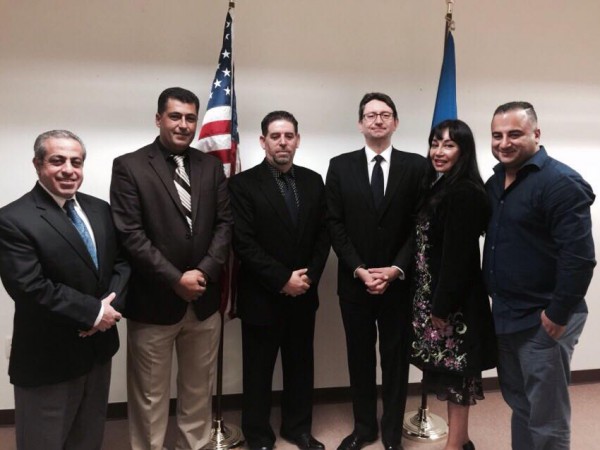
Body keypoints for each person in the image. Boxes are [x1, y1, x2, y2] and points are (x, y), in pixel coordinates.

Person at [110, 87, 233, 450]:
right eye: (175, 116)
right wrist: (175, 279)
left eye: (190, 118)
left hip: (203, 301)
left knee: (198, 391)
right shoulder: (130, 166)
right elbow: (130, 235)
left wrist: (204, 272)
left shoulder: (210, 166)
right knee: (150, 396)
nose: (183, 125)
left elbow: (225, 225)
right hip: (153, 303)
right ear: (159, 119)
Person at [0, 130, 129, 450]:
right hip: (49, 358)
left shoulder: (100, 209)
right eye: (58, 161)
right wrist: (93, 313)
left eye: (76, 162)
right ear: (37, 164)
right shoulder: (12, 219)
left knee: (88, 438)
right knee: (43, 441)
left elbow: (122, 263)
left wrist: (108, 312)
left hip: (98, 352)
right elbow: (30, 287)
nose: (69, 169)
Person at [483, 101, 595, 450]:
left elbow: (579, 258)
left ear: (536, 134)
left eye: (514, 134)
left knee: (547, 418)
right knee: (521, 404)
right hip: (507, 314)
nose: (504, 143)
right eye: (497, 135)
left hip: (544, 318)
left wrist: (557, 314)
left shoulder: (560, 182)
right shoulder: (495, 182)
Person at [325, 92, 427, 450]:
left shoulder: (416, 166)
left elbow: (420, 225)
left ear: (395, 122)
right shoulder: (340, 166)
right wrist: (359, 269)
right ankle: (364, 427)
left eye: (385, 114)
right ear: (360, 124)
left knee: (396, 361)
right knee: (360, 359)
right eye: (371, 115)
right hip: (355, 283)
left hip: (399, 285)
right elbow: (334, 223)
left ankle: (392, 433)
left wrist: (396, 269)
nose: (378, 120)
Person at [229, 111, 330, 450]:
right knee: (258, 371)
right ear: (263, 141)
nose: (283, 142)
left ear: (297, 140)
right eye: (275, 136)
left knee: (300, 366)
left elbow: (324, 235)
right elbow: (243, 242)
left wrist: (308, 277)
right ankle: (258, 435)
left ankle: (298, 429)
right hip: (262, 295)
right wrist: (283, 279)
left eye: (289, 136)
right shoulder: (242, 185)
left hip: (304, 294)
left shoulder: (313, 181)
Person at [410, 120, 496, 450]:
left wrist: (441, 307)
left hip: (454, 305)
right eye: (435, 143)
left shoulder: (465, 192)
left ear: (464, 151)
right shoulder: (442, 186)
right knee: (449, 374)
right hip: (438, 299)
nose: (439, 151)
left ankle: (455, 445)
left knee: (458, 375)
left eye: (449, 145)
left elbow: (458, 258)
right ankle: (462, 440)